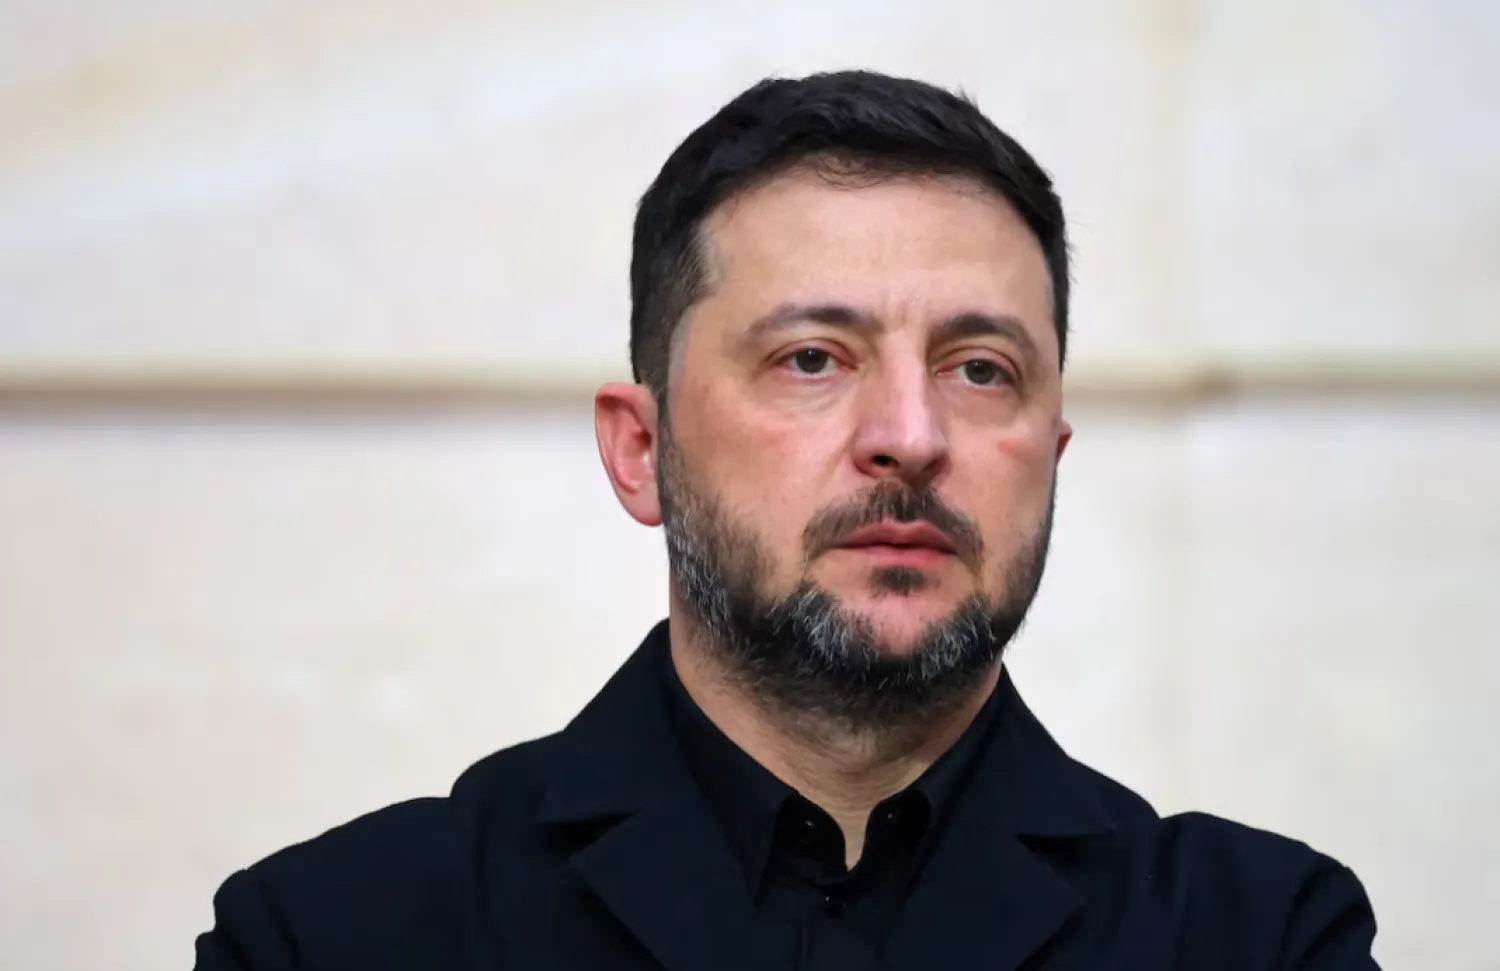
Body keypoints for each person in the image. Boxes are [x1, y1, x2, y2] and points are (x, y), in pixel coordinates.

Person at [193, 70, 1380, 970]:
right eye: (814, 358)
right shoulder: (339, 936)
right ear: (641, 448)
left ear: (1052, 455)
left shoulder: (1258, 935)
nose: (911, 435)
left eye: (980, 369)